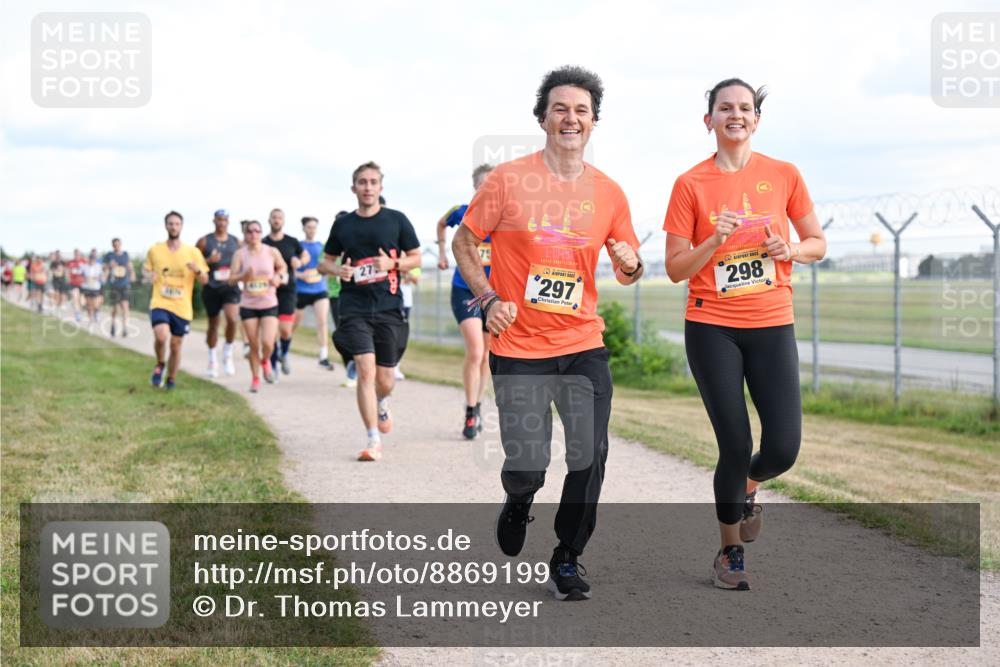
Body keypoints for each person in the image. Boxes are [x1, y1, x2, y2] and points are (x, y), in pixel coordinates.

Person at [453, 66, 643, 601]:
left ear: (593, 122)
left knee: (589, 452)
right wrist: (488, 299)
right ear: (542, 118)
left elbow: (629, 267)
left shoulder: (608, 192)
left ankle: (567, 555)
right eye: (560, 108)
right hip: (518, 345)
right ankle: (519, 499)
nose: (571, 118)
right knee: (528, 462)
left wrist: (630, 263)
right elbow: (464, 244)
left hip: (582, 342)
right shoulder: (508, 180)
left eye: (581, 110)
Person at [664, 78, 828, 591]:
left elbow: (817, 242)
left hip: (772, 322)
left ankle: (750, 485)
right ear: (708, 120)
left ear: (756, 119)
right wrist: (714, 237)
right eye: (725, 107)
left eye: (745, 107)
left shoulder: (783, 175)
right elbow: (673, 267)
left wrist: (791, 251)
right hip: (712, 325)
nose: (736, 114)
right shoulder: (690, 184)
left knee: (782, 449)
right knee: (734, 443)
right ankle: (730, 551)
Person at [322, 162, 421, 461]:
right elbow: (323, 263)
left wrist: (392, 264)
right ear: (354, 188)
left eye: (372, 182)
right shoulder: (343, 225)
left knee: (385, 379)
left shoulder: (396, 220)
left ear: (380, 187)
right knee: (365, 368)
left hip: (389, 307)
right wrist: (338, 269)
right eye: (362, 182)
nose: (367, 187)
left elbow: (415, 258)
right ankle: (372, 439)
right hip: (354, 308)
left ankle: (382, 402)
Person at [436, 163, 495, 438]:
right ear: (475, 186)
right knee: (475, 350)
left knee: (486, 355)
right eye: (484, 183)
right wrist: (442, 254)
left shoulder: (504, 215)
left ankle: (478, 405)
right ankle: (470, 412)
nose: (488, 188)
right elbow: (441, 223)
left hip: (494, 294)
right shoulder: (462, 211)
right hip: (465, 289)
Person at [143, 211, 209, 390]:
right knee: (161, 336)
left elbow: (205, 280)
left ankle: (171, 378)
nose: (173, 227)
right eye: (170, 223)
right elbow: (145, 271)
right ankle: (159, 364)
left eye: (177, 224)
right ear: (166, 226)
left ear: (182, 226)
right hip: (160, 302)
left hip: (182, 306)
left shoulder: (192, 252)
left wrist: (197, 271)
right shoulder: (155, 250)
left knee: (176, 345)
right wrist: (149, 275)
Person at [228, 220, 286, 392]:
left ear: (261, 233)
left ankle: (265, 360)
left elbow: (282, 267)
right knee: (253, 344)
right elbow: (231, 279)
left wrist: (278, 277)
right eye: (250, 231)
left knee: (268, 343)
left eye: (257, 231)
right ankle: (255, 378)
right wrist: (242, 276)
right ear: (245, 234)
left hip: (269, 302)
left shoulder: (271, 251)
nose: (254, 234)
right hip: (249, 304)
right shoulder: (240, 254)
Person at [263, 208, 308, 380]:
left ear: (283, 221)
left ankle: (285, 353)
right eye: (274, 217)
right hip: (269, 291)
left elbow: (305, 257)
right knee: (271, 331)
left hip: (288, 290)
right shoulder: (264, 243)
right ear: (269, 220)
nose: (276, 220)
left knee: (285, 330)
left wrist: (299, 261)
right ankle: (273, 366)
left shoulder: (292, 241)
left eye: (279, 218)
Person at [196, 209, 241, 377]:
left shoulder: (236, 241)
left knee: (232, 318)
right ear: (214, 220)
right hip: (212, 287)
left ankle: (227, 353)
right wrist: (208, 261)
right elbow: (193, 263)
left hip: (230, 286)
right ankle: (212, 358)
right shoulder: (204, 241)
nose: (222, 223)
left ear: (228, 222)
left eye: (225, 220)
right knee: (213, 324)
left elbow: (244, 259)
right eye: (219, 220)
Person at [318, 211, 355, 385]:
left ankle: (361, 365)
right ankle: (350, 368)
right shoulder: (330, 244)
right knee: (342, 333)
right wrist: (335, 269)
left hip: (357, 293)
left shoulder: (357, 240)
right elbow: (321, 267)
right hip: (336, 294)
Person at [293, 216, 333, 369]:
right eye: (309, 227)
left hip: (319, 290)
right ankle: (283, 348)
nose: (311, 230)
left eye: (314, 227)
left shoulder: (322, 246)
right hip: (300, 291)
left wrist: (323, 272)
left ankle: (323, 356)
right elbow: (291, 269)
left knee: (322, 322)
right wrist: (300, 275)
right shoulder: (298, 246)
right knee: (293, 325)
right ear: (303, 229)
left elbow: (326, 266)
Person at [103, 238, 136, 338]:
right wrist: (109, 265)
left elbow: (130, 266)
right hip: (114, 284)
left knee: (125, 306)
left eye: (118, 244)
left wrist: (132, 274)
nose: (116, 246)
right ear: (112, 245)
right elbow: (104, 267)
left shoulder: (125, 254)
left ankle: (125, 328)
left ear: (120, 244)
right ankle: (113, 325)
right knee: (116, 308)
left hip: (124, 283)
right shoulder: (110, 255)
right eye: (114, 244)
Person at [394, 267, 421, 380]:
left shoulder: (412, 260)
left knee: (400, 335)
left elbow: (416, 280)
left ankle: (396, 366)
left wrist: (405, 273)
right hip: (392, 300)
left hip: (406, 302)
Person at [80, 250, 104, 328]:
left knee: (96, 304)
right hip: (86, 287)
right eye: (91, 258)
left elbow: (102, 276)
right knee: (89, 305)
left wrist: (96, 278)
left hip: (95, 287)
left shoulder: (99, 266)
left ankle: (96, 312)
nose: (92, 260)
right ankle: (90, 320)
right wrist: (84, 278)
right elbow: (80, 275)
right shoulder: (84, 266)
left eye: (93, 259)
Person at [66, 249, 86, 321]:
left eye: (78, 254)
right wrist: (68, 278)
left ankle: (80, 310)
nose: (77, 255)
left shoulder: (84, 261)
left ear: (80, 254)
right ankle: (77, 313)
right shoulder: (70, 262)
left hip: (83, 283)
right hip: (73, 283)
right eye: (75, 254)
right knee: (75, 297)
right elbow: (67, 271)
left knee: (82, 300)